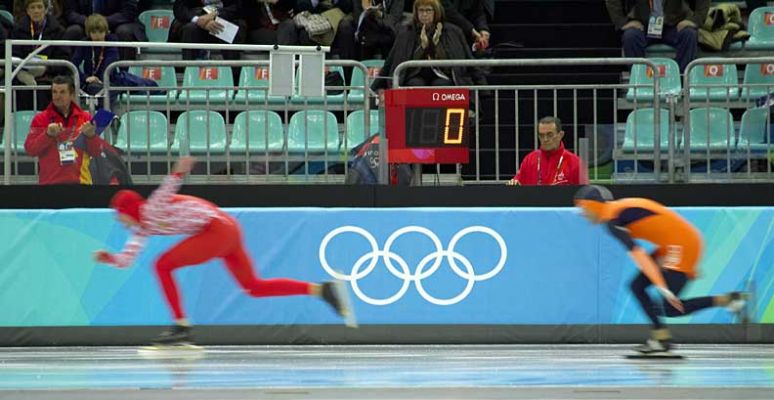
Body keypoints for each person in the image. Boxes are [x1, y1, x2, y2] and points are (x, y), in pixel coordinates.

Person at [94, 157, 354, 346]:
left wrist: (178, 172)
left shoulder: (151, 209)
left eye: (120, 216)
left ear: (129, 210)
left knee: (162, 265)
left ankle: (181, 326)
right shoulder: (142, 229)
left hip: (216, 229)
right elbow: (128, 258)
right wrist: (109, 259)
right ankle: (322, 290)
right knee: (254, 287)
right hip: (227, 229)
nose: (120, 222)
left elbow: (166, 189)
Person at [574, 185, 748, 354]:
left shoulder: (612, 218)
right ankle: (661, 338)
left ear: (593, 205)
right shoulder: (616, 210)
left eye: (582, 207)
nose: (582, 214)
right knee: (637, 286)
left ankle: (728, 300)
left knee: (670, 307)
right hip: (674, 244)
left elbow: (638, 254)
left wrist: (663, 288)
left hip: (680, 245)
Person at [371, 0, 485, 92]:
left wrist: (484, 88)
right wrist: (374, 88)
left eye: (428, 10)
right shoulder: (406, 32)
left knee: (441, 84)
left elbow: (469, 61)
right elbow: (391, 61)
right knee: (415, 84)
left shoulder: (453, 31)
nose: (424, 14)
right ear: (416, 12)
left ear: (436, 12)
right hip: (415, 75)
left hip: (442, 75)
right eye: (421, 10)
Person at [24, 74, 109, 184]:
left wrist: (91, 136)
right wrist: (47, 135)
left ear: (72, 95)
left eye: (62, 92)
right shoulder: (41, 119)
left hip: (81, 184)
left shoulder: (85, 118)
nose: (57, 96)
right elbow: (30, 149)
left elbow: (97, 152)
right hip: (50, 184)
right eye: (54, 92)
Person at [605, 0, 708, 72]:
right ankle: (639, 82)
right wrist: (622, 22)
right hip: (643, 25)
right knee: (630, 36)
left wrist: (695, 20)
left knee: (689, 34)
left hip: (675, 24)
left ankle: (681, 83)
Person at [507, 116, 583, 186]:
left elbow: (585, 195)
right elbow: (518, 182)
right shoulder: (529, 160)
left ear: (561, 135)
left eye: (550, 135)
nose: (545, 139)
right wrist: (514, 184)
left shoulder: (575, 163)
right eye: (541, 135)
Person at [63, 0, 145, 60]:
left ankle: (123, 73)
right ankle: (68, 75)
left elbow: (128, 13)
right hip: (86, 24)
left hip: (117, 23)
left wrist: (102, 22)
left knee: (124, 32)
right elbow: (70, 13)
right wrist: (89, 22)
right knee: (73, 31)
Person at [71, 14, 119, 104]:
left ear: (106, 31)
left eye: (100, 32)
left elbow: (109, 65)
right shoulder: (84, 43)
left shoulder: (111, 43)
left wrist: (99, 79)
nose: (97, 36)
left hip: (110, 80)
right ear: (89, 33)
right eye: (94, 32)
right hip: (89, 81)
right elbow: (74, 64)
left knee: (145, 84)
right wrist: (85, 78)